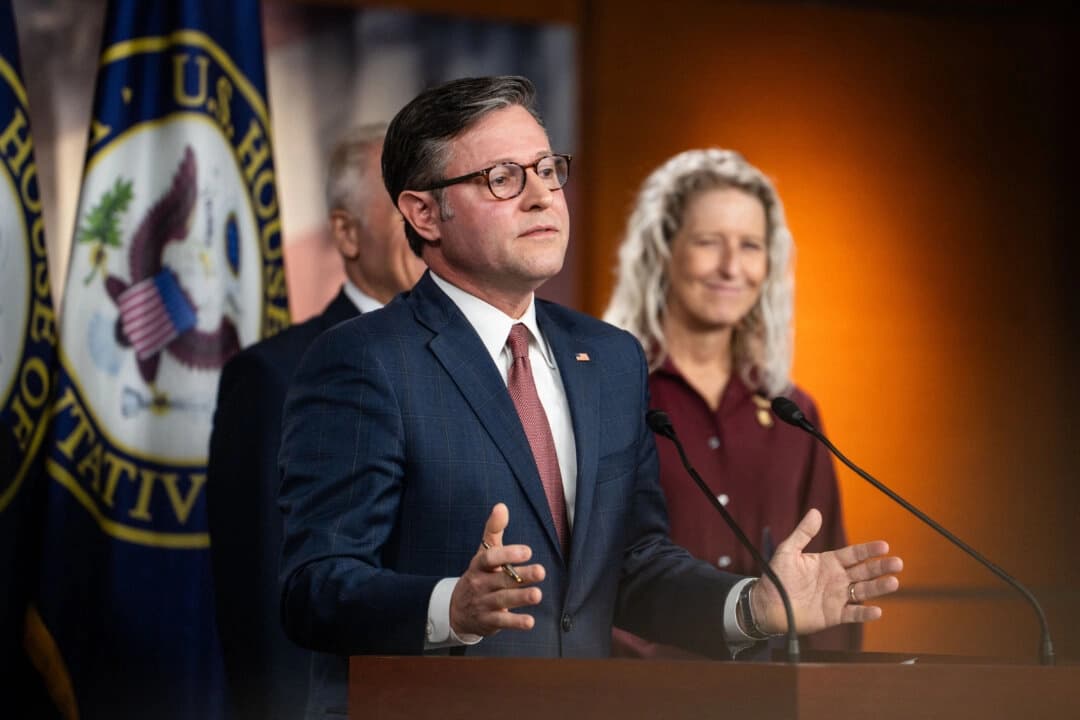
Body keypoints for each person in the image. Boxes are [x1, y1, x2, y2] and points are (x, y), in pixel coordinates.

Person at [278, 76, 902, 718]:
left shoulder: (608, 358)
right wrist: (449, 607)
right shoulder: (365, 358)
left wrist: (749, 606)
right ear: (424, 213)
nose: (542, 196)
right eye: (502, 177)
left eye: (548, 170)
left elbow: (630, 564)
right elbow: (314, 588)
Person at [207, 123, 425, 720]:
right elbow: (266, 604)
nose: (430, 219)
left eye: (437, 196)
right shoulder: (275, 376)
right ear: (347, 232)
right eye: (407, 200)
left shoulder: (490, 360)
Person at [604, 148, 857, 655]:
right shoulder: (606, 395)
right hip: (634, 696)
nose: (730, 267)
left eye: (750, 246)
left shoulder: (793, 413)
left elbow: (831, 587)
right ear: (663, 250)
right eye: (708, 243)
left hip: (773, 698)